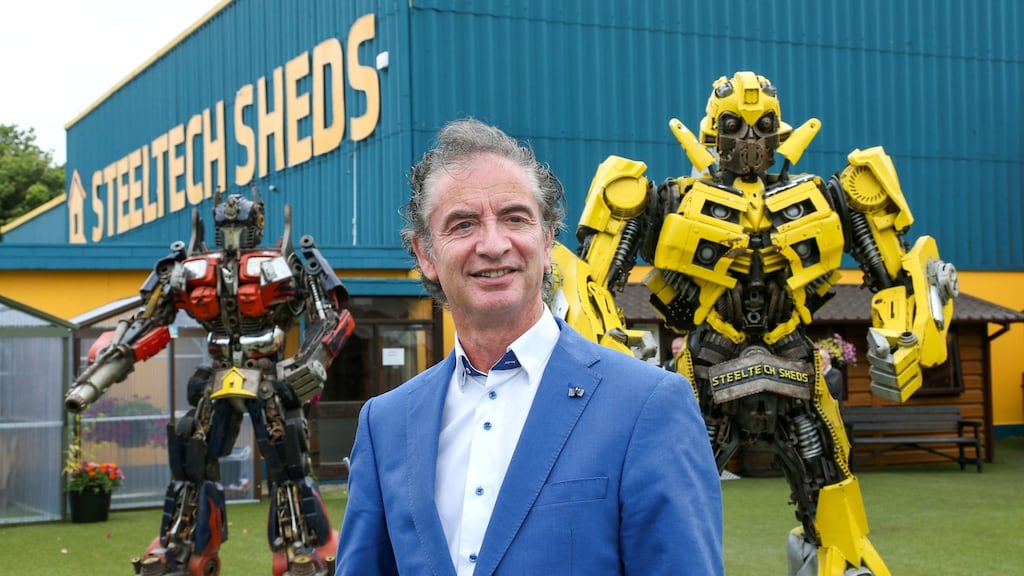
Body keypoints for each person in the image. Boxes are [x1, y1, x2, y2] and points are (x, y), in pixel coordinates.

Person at [335, 118, 724, 575]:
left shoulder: (649, 406)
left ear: (547, 240)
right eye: (463, 224)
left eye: (515, 218)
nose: (494, 244)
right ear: (426, 255)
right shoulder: (385, 424)